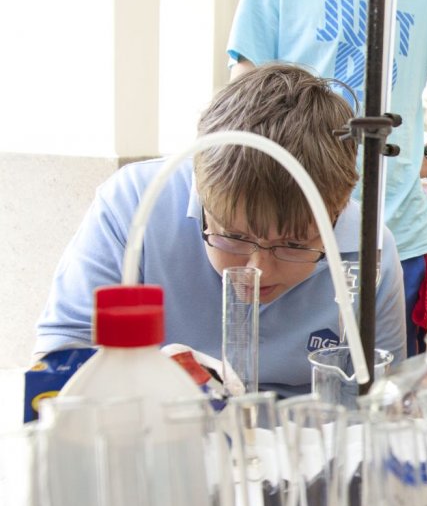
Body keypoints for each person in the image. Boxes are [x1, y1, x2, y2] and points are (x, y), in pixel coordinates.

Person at [34, 63, 406, 396]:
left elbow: (383, 400)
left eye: (293, 243)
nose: (259, 271)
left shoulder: (369, 250)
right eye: (235, 237)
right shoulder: (134, 203)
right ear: (200, 191)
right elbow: (63, 359)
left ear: (337, 212)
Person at [227, 0, 427, 357]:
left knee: (392, 380)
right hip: (295, 234)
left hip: (402, 236)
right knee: (288, 374)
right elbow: (244, 106)